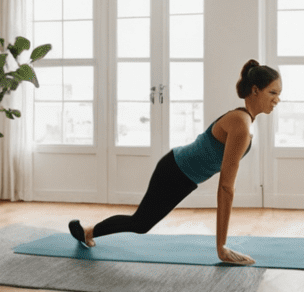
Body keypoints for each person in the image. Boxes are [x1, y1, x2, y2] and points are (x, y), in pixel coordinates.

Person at [69, 61, 280, 266]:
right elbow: (226, 187)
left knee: (141, 222)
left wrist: (221, 245)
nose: (277, 99)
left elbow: (226, 184)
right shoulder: (240, 124)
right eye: (272, 93)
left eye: (278, 94)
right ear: (255, 90)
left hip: (183, 175)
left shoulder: (244, 122)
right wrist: (221, 247)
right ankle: (86, 232)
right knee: (141, 223)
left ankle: (87, 232)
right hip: (174, 171)